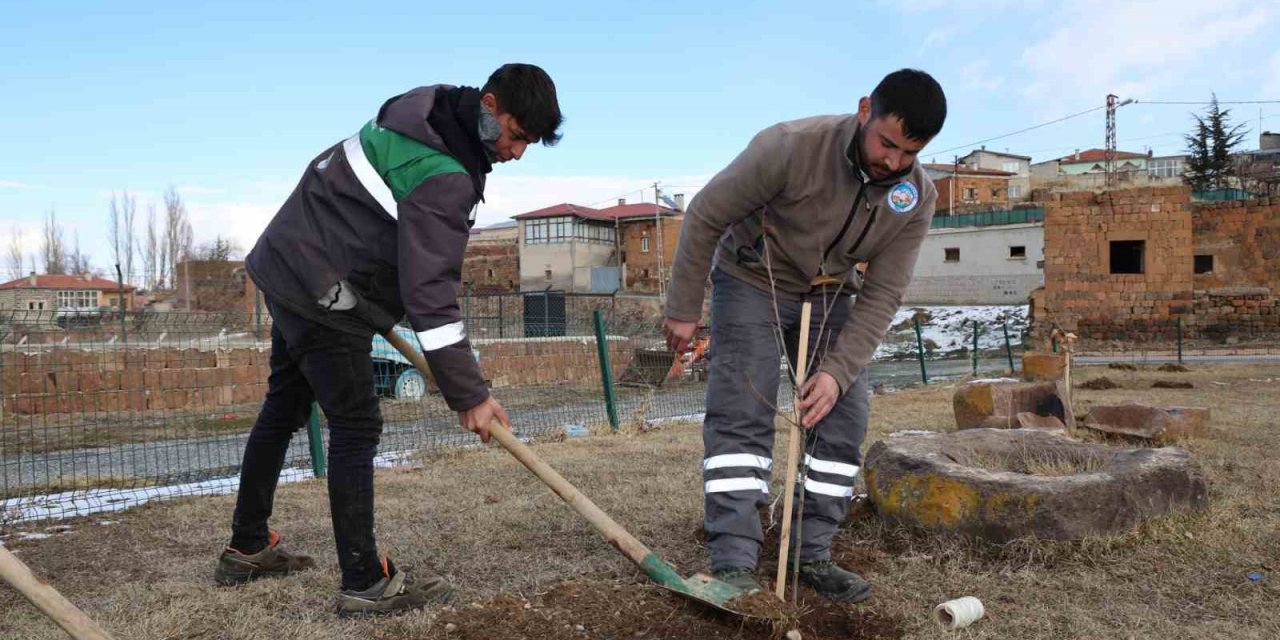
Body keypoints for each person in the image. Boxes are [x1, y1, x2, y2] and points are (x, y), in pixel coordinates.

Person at [213, 63, 564, 617]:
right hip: (324, 292)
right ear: (491, 105)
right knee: (356, 424)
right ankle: (363, 582)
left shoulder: (423, 110)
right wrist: (470, 394)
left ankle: (247, 546)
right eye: (518, 136)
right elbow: (430, 292)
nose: (518, 153)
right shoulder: (446, 173)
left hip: (290, 263)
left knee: (284, 406)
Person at [661, 69, 946, 603]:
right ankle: (734, 561)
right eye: (886, 143)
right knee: (744, 408)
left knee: (843, 414)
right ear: (865, 109)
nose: (892, 162)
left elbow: (884, 292)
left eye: (909, 152)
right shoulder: (790, 147)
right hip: (752, 278)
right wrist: (682, 307)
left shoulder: (917, 195)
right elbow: (704, 215)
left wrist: (836, 374)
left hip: (832, 292)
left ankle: (810, 551)